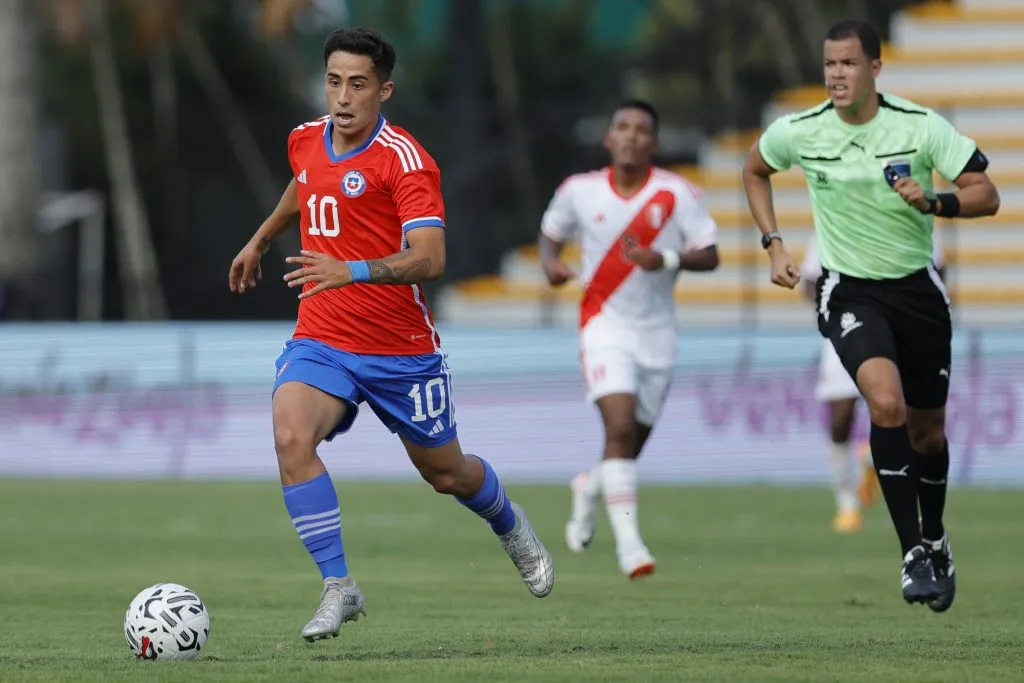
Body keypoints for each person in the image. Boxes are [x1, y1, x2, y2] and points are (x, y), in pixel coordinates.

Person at [228, 27, 553, 642]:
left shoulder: (405, 160)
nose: (343, 97)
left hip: (400, 352)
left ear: (384, 89)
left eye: (358, 85)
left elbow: (430, 257)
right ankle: (338, 586)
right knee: (290, 435)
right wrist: (261, 238)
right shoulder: (304, 140)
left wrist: (348, 270)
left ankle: (510, 525)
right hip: (322, 339)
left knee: (448, 474)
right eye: (333, 82)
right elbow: (306, 183)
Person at [742, 18, 1000, 610]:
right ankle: (912, 555)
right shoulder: (801, 130)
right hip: (848, 290)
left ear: (875, 69)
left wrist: (936, 200)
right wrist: (773, 242)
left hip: (917, 293)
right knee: (886, 404)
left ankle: (936, 538)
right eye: (830, 64)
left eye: (849, 64)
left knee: (926, 433)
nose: (836, 74)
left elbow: (987, 192)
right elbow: (755, 168)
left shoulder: (919, 125)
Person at [538, 100, 720, 579]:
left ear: (654, 143)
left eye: (642, 130)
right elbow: (550, 233)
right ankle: (630, 547)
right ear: (608, 138)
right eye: (622, 127)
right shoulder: (580, 191)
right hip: (604, 326)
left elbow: (711, 254)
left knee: (628, 446)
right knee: (618, 429)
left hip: (657, 336)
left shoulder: (676, 194)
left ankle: (588, 487)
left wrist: (668, 259)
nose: (632, 135)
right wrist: (551, 265)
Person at [801, 230, 945, 534]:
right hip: (849, 321)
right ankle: (846, 504)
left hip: (905, 325)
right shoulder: (833, 217)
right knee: (840, 417)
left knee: (902, 413)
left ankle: (873, 461)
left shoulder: (915, 214)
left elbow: (938, 271)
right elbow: (810, 280)